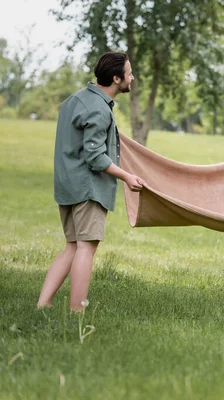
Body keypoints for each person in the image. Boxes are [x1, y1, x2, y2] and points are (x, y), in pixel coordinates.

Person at [37, 51, 145, 311]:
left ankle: (43, 304)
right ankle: (77, 312)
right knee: (86, 248)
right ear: (117, 78)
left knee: (72, 246)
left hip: (67, 185)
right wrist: (126, 176)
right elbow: (95, 156)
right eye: (129, 73)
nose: (133, 77)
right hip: (88, 189)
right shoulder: (99, 109)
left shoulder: (75, 100)